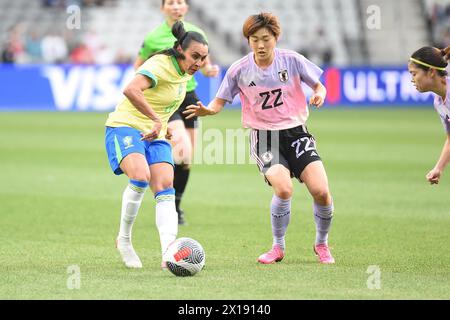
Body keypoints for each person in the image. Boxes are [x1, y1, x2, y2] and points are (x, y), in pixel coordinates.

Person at [184, 13, 335, 264]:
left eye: (266, 39)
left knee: (321, 192)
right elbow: (219, 102)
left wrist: (320, 93)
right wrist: (208, 110)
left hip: (296, 132)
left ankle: (322, 243)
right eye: (254, 40)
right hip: (264, 137)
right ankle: (278, 247)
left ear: (276, 37)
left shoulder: (292, 61)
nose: (261, 45)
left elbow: (319, 85)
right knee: (283, 188)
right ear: (248, 41)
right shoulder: (239, 69)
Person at [105, 21, 209, 268]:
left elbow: (164, 105)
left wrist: (162, 126)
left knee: (165, 186)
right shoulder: (160, 65)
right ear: (180, 49)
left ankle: (169, 254)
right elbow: (131, 89)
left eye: (203, 58)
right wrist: (154, 119)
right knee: (141, 177)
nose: (198, 63)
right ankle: (125, 239)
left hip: (156, 133)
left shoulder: (184, 74)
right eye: (195, 56)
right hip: (125, 126)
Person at [134, 0, 220, 225]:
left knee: (187, 158)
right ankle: (164, 193)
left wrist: (209, 70)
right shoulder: (153, 38)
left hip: (189, 95)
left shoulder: (198, 33)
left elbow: (205, 62)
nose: (176, 6)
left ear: (186, 7)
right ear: (162, 8)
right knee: (182, 148)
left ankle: (176, 206)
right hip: (167, 99)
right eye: (170, 2)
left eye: (180, 2)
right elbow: (139, 66)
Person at [408, 45, 450, 185]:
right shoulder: (439, 102)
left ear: (431, 72)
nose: (412, 79)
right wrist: (438, 168)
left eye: (414, 74)